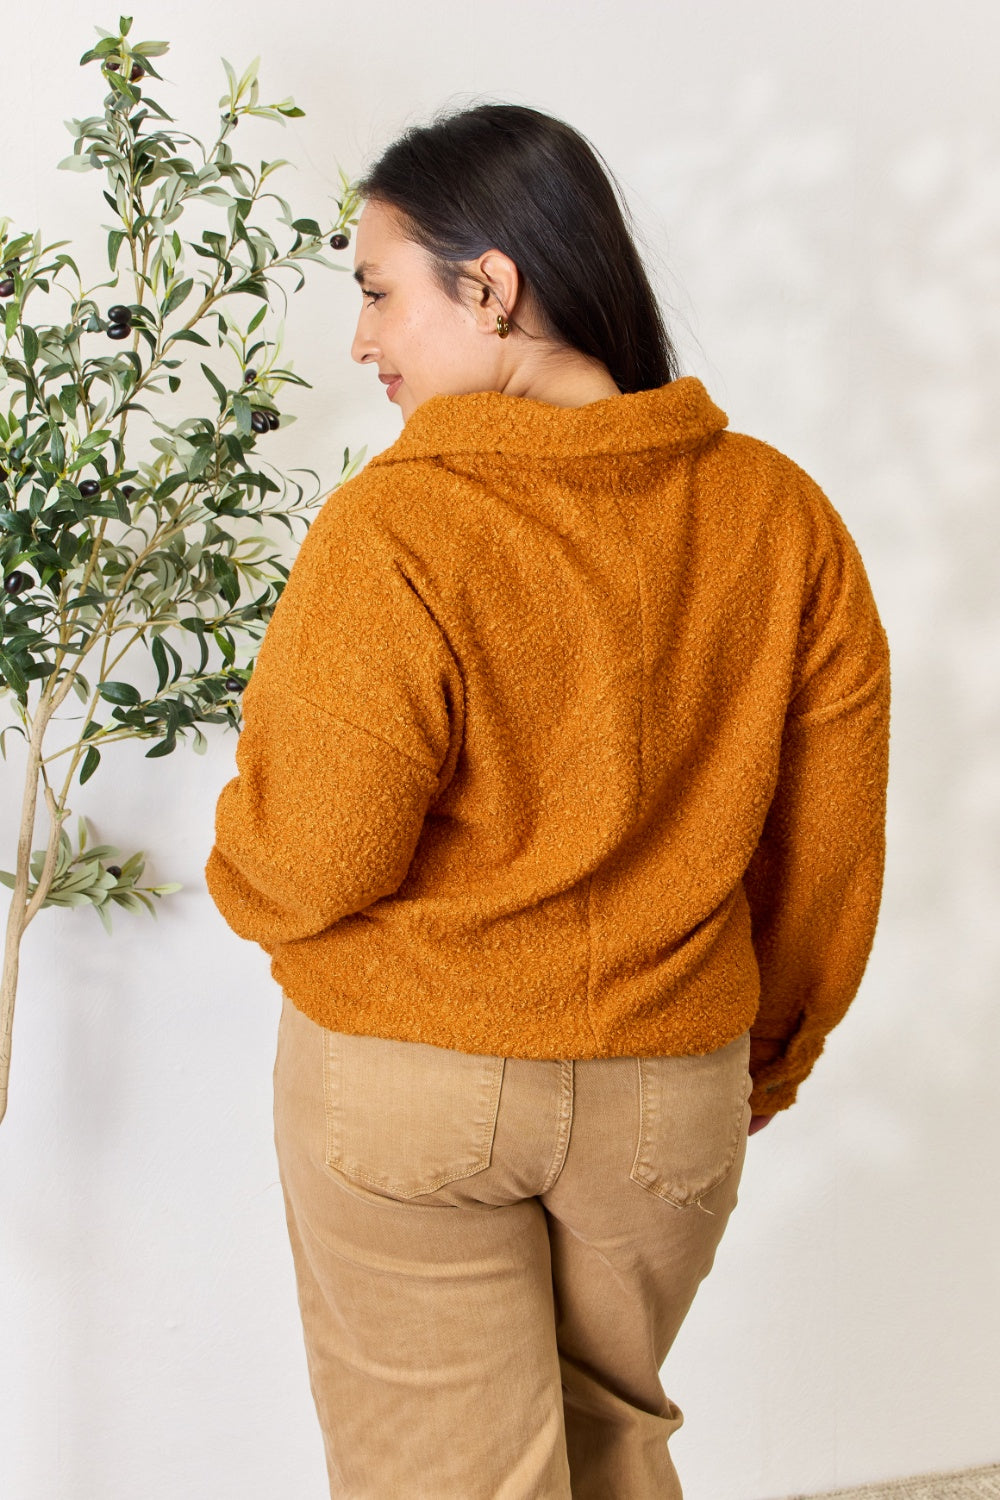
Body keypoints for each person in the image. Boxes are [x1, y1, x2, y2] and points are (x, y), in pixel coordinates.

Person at [204, 101, 890, 1500]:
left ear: (493, 286)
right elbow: (827, 854)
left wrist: (258, 896)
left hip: (410, 1073)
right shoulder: (782, 514)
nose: (363, 343)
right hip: (668, 1095)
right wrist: (763, 1058)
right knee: (614, 1450)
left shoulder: (400, 521)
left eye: (379, 292)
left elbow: (312, 855)